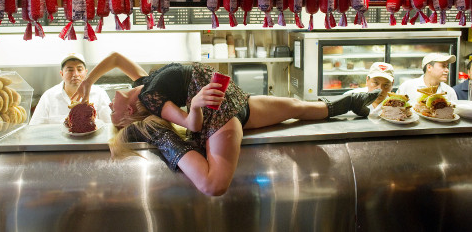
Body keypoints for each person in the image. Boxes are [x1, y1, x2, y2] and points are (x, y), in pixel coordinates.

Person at [72, 52, 381, 196]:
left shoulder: (143, 84)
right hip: (218, 117)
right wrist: (194, 105)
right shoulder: (152, 103)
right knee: (213, 183)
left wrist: (87, 81)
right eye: (109, 110)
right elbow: (192, 125)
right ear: (128, 113)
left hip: (235, 101)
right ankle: (170, 146)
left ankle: (351, 102)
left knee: (298, 107)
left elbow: (114, 58)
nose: (106, 104)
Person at [30, 53, 112, 125]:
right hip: (58, 142)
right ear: (61, 74)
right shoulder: (48, 96)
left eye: (79, 69)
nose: (75, 74)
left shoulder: (100, 93)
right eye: (70, 70)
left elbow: (109, 125)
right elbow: (35, 127)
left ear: (86, 72)